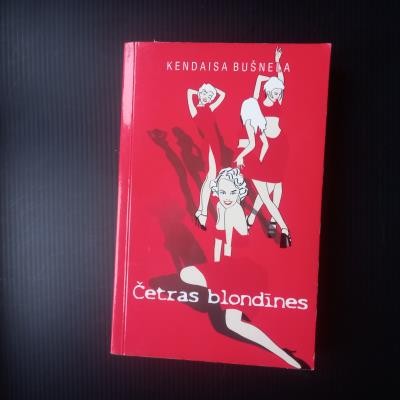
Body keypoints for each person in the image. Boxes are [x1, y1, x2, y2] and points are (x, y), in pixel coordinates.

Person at [235, 48, 291, 248]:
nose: (277, 95)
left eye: (279, 92)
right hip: (264, 147)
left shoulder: (279, 100)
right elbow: (258, 80)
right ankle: (277, 227)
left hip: (280, 145)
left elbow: (281, 79)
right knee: (265, 190)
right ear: (268, 90)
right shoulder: (256, 103)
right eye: (274, 91)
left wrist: (277, 62)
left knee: (275, 185)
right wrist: (267, 79)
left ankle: (268, 222)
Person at [187, 83, 226, 230]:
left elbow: (222, 95)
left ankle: (200, 211)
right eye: (205, 94)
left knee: (210, 178)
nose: (207, 98)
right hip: (208, 145)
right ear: (200, 94)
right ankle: (202, 213)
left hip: (215, 145)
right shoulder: (195, 110)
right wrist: (199, 92)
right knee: (210, 179)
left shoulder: (210, 107)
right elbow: (189, 91)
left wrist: (210, 91)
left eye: (210, 96)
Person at [210, 168, 248, 262]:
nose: (227, 198)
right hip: (226, 255)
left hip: (240, 255)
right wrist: (216, 261)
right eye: (223, 192)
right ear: (217, 190)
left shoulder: (233, 210)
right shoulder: (219, 205)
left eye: (233, 192)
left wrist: (219, 263)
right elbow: (218, 238)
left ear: (239, 191)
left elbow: (228, 244)